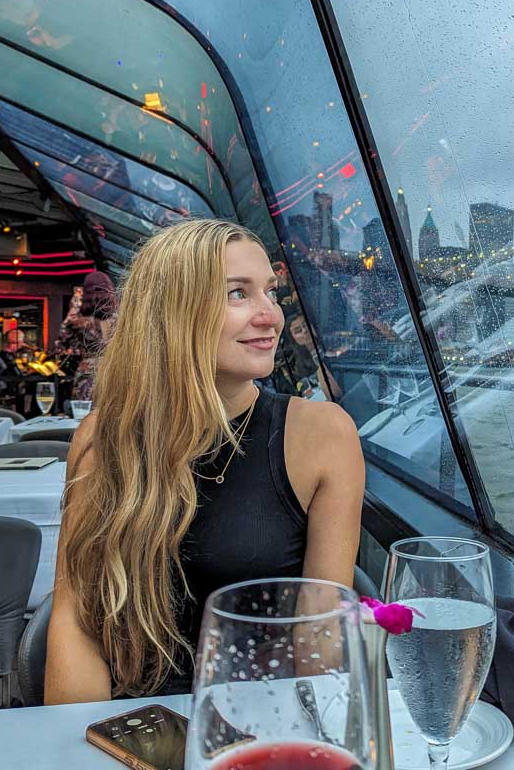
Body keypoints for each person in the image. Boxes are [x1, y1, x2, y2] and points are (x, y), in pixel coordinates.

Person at [46, 219, 364, 703]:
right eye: (238, 294)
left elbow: (320, 634)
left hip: (264, 717)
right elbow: (77, 620)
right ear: (173, 312)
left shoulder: (323, 434)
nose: (270, 316)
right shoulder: (104, 437)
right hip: (137, 721)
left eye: (271, 293)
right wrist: (90, 735)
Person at [55, 271, 117, 401]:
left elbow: (60, 345)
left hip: (87, 373)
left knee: (83, 409)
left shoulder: (78, 322)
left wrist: (73, 308)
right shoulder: (120, 320)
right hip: (114, 371)